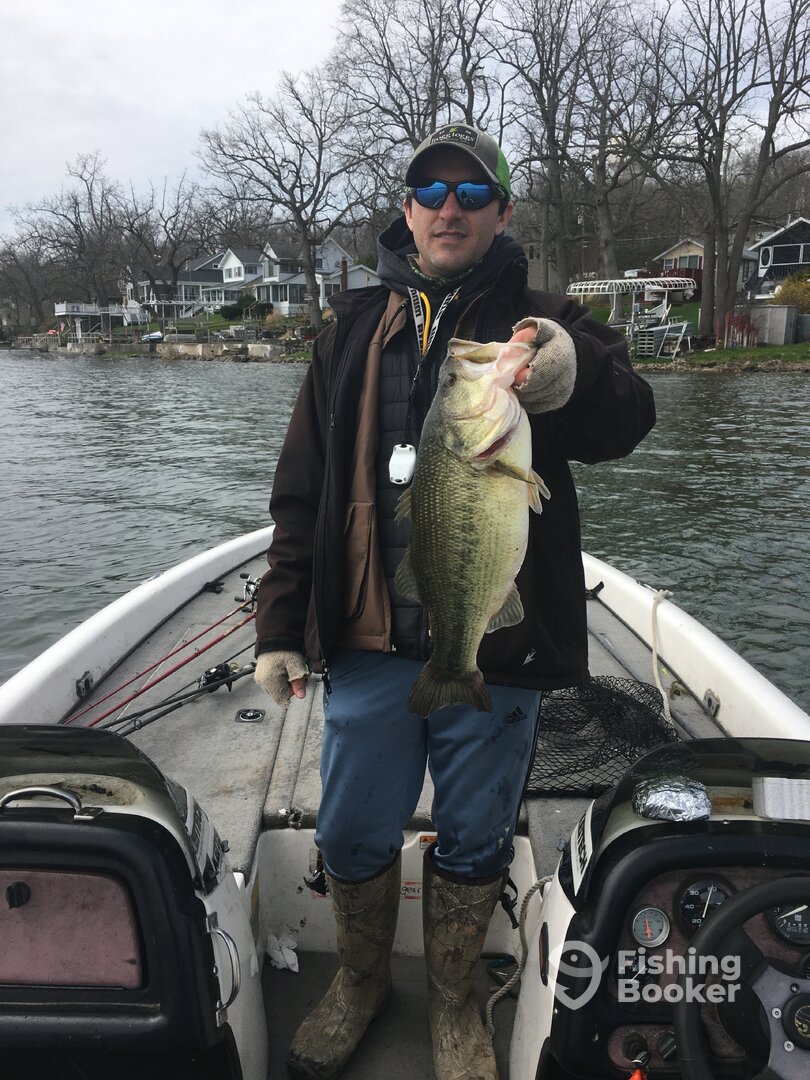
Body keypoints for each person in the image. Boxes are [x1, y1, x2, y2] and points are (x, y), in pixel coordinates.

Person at [254, 123, 655, 1080]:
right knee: (352, 828)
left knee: (477, 834)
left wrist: (570, 372)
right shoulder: (348, 330)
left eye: (472, 194)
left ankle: (454, 999)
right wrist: (279, 624)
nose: (449, 208)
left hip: (495, 648)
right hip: (367, 637)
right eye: (431, 191)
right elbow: (301, 491)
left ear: (502, 213)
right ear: (406, 210)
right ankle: (359, 982)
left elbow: (628, 419)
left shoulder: (543, 323)